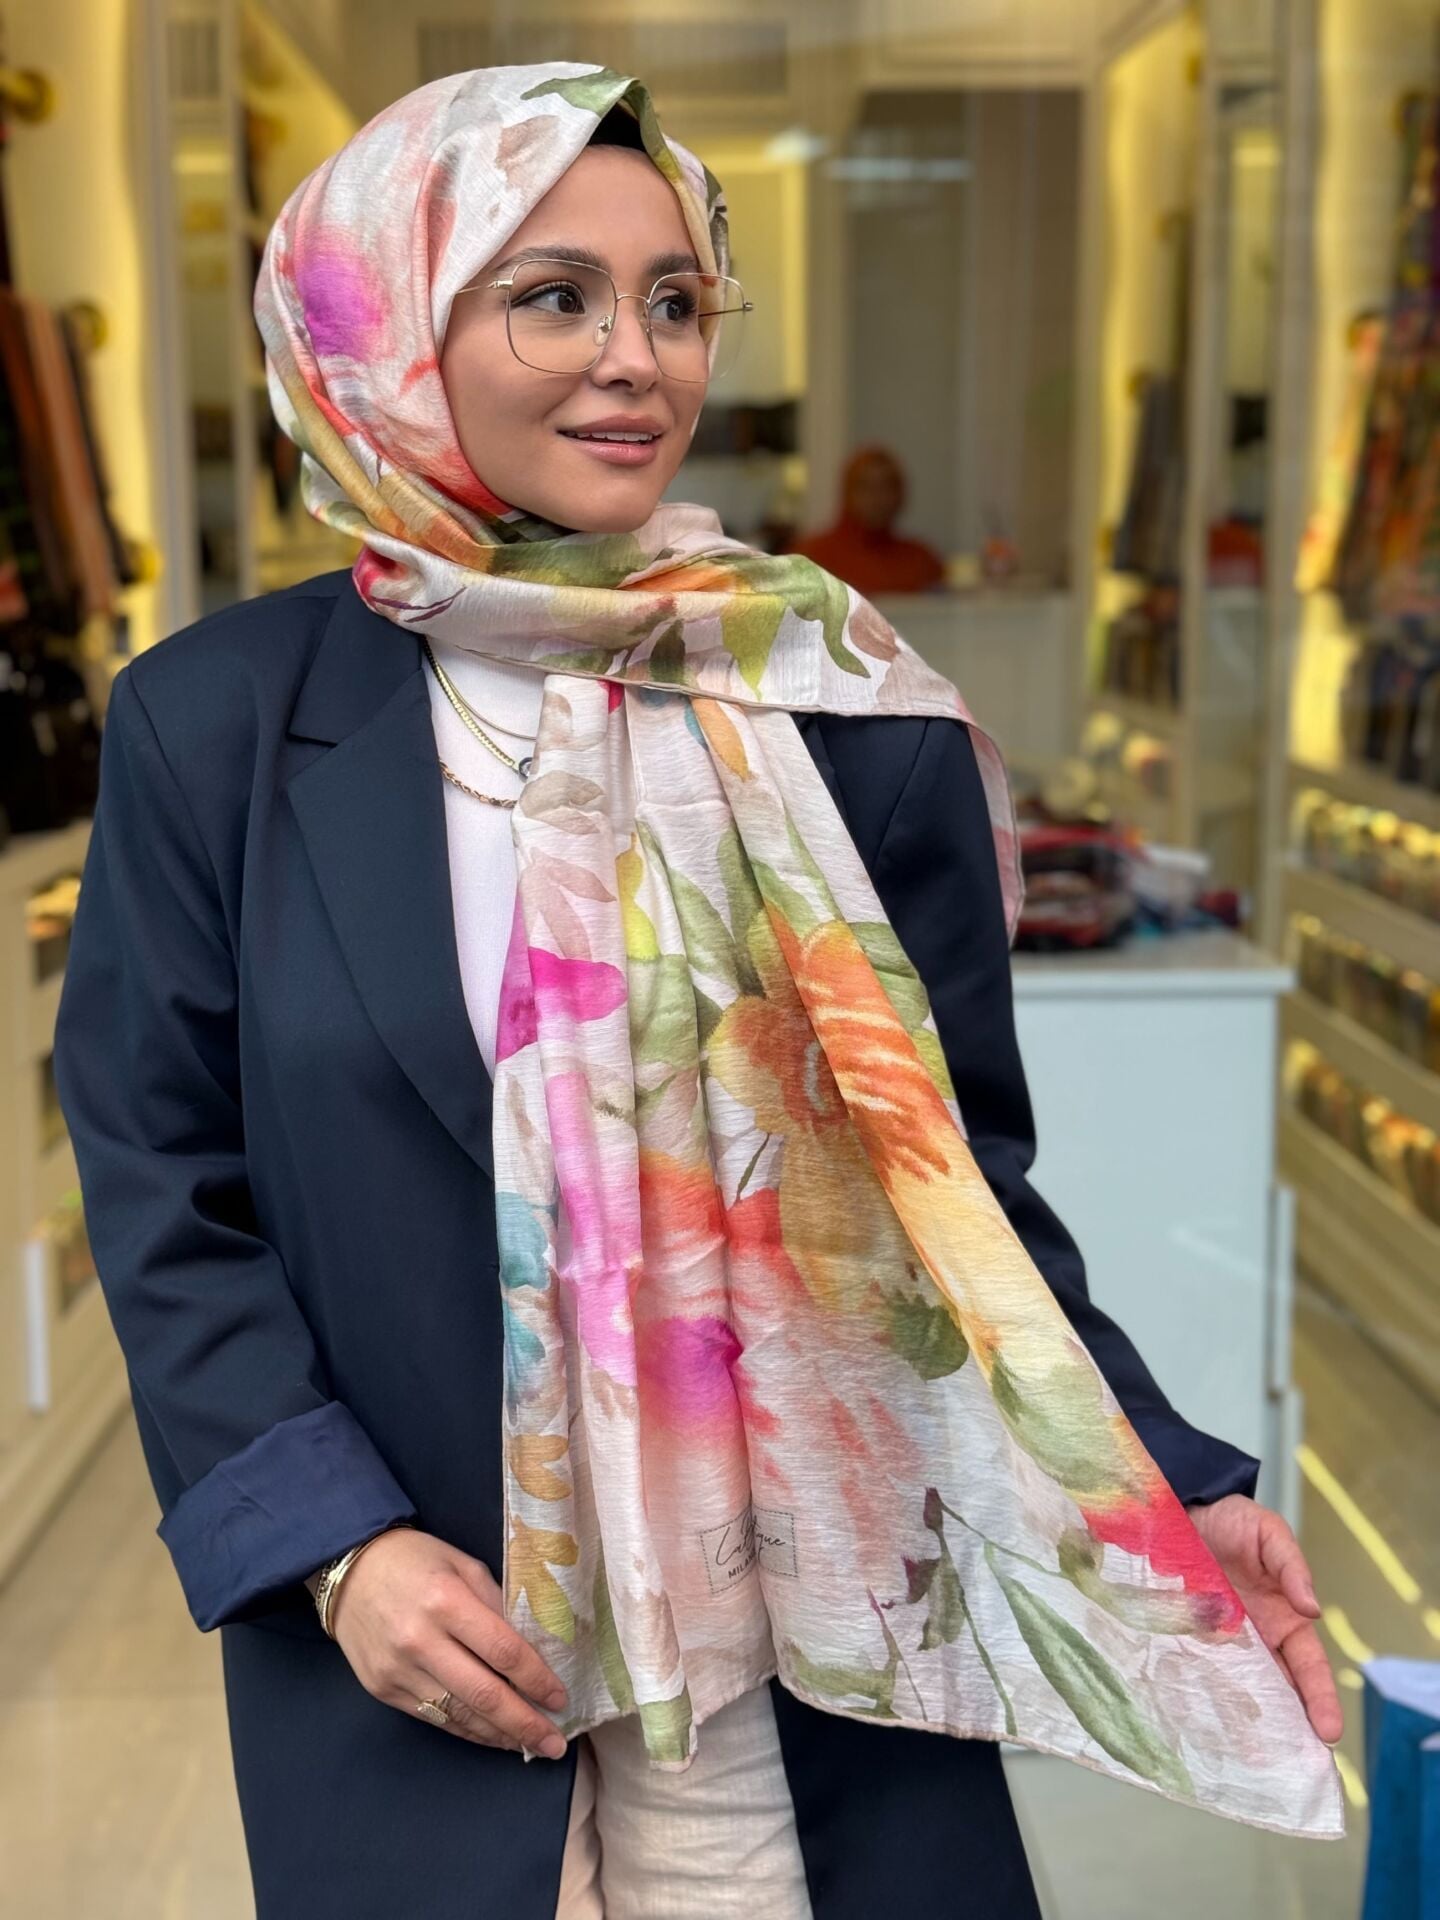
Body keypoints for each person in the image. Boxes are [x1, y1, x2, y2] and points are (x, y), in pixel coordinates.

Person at [53, 65, 1343, 1920]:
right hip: (439, 1649)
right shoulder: (216, 727)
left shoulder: (837, 713)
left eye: (674, 300)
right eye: (553, 296)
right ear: (385, 327)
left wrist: (1174, 1477)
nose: (634, 360)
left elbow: (951, 1205)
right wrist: (333, 1549)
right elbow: (165, 1184)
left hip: (812, 1667)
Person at [790, 444, 946, 595]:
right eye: (865, 486)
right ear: (848, 492)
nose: (877, 497)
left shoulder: (922, 562)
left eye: (886, 486)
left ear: (900, 494)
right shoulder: (812, 558)